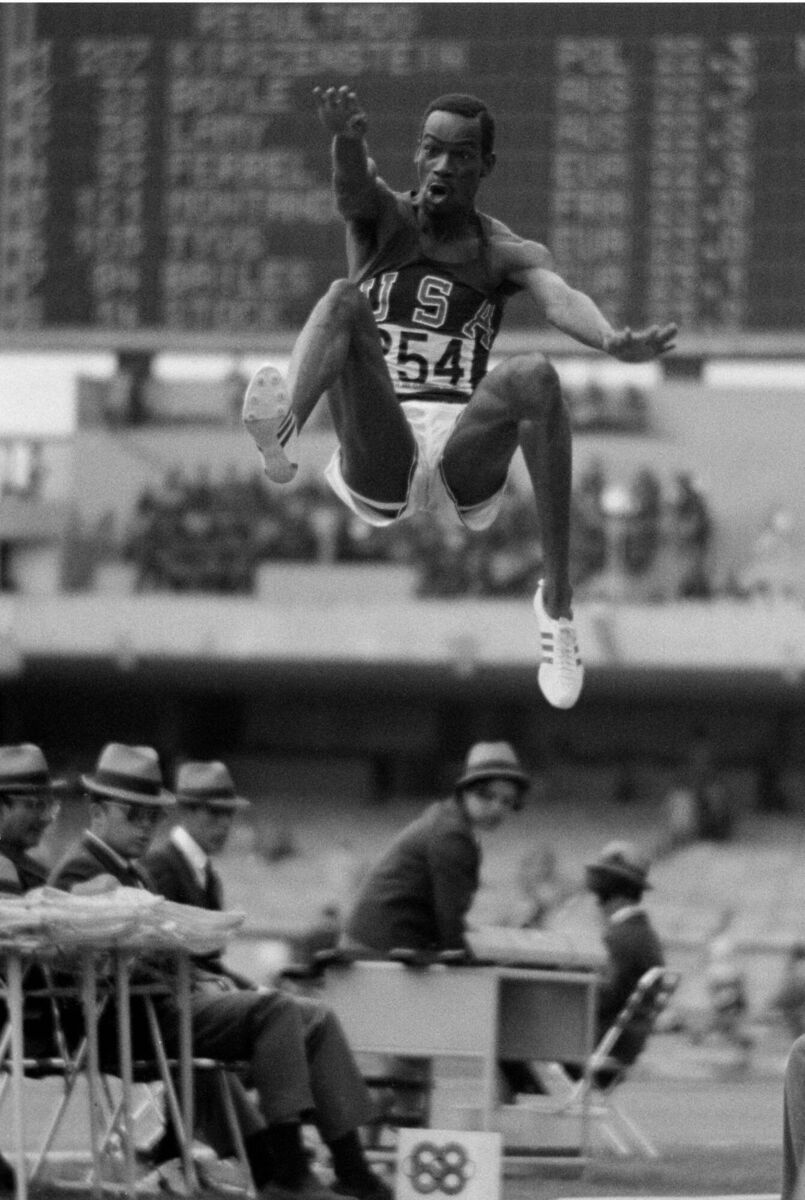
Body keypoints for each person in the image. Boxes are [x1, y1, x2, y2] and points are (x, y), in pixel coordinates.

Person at [242, 86, 677, 710]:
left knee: (536, 375)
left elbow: (559, 298)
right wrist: (346, 139)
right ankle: (283, 432)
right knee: (342, 298)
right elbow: (350, 189)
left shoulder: (503, 250)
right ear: (418, 156)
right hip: (382, 441)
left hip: (461, 452)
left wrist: (608, 338)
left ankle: (557, 604)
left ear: (485, 166)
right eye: (432, 150)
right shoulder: (383, 219)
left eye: (461, 155)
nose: (443, 165)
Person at [48, 743, 390, 1200]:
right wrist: (190, 978)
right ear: (97, 812)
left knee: (302, 1014)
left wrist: (191, 976)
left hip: (155, 1007)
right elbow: (81, 966)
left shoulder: (132, 871)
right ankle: (288, 1170)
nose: (146, 826)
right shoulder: (82, 870)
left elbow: (162, 954)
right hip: (125, 1021)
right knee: (274, 1012)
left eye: (153, 816)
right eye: (134, 815)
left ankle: (340, 1166)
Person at [342, 741, 529, 957]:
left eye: (506, 801)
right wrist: (466, 959)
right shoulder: (452, 836)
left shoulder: (446, 820)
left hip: (377, 944)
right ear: (465, 791)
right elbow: (449, 921)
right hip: (376, 951)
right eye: (486, 796)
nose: (496, 808)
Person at [0, 743, 67, 1195]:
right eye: (33, 805)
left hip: (36, 1011)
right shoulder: (6, 867)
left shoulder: (27, 868)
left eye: (48, 806)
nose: (45, 817)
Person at [581, 840, 665, 1078]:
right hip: (626, 1043)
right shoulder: (643, 934)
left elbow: (607, 995)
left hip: (602, 1042)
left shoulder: (621, 937)